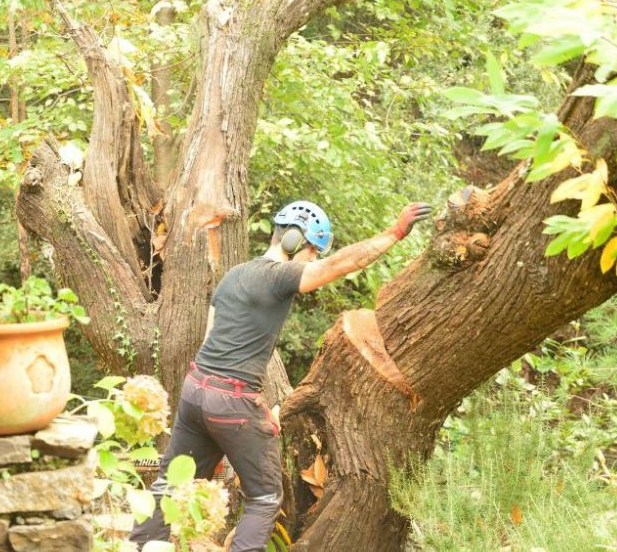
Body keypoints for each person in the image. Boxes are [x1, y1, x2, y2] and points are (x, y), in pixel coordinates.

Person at [129, 200, 432, 551]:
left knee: (169, 484)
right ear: (292, 241)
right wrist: (394, 233)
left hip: (196, 389)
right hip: (232, 400)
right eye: (312, 251)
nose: (312, 260)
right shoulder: (279, 276)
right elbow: (342, 263)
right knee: (264, 497)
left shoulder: (234, 275)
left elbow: (210, 340)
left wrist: (225, 419)